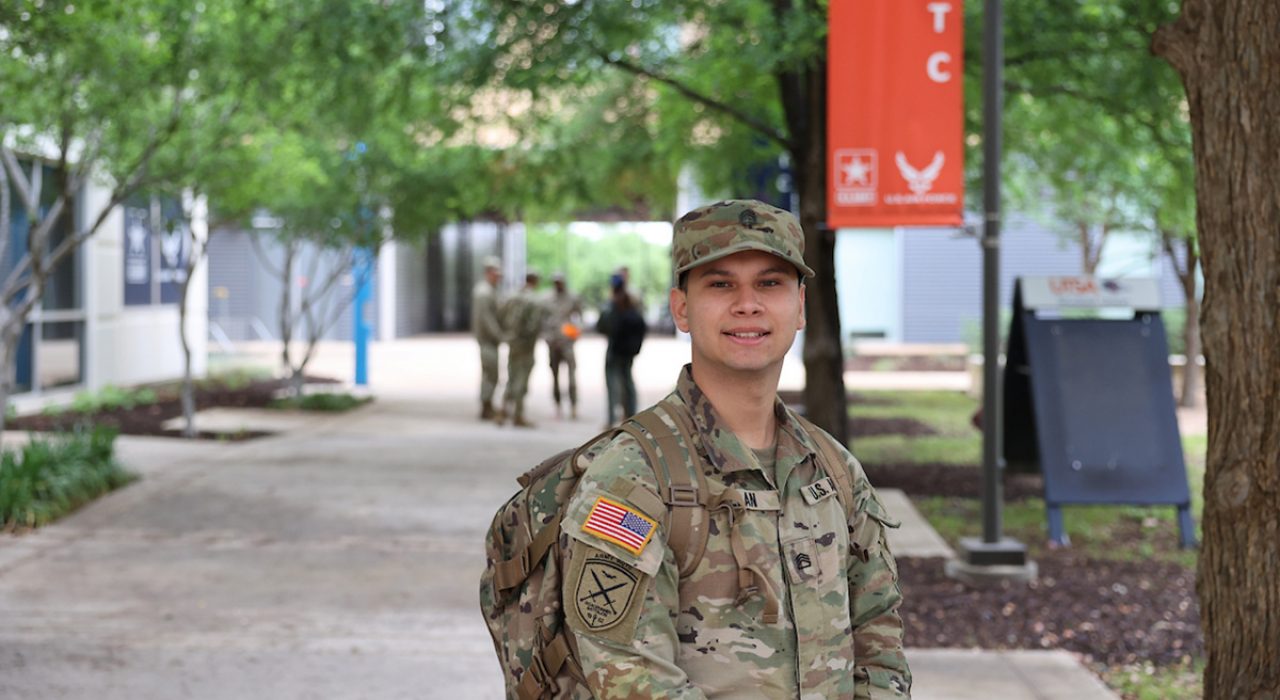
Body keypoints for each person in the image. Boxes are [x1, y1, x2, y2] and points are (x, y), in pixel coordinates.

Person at [561, 199, 911, 697]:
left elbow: (879, 633)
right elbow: (630, 677)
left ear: (800, 307)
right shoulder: (633, 477)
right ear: (681, 307)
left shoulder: (832, 467)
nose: (748, 304)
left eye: (770, 283)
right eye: (721, 284)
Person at [497, 270, 547, 428]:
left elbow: (500, 315)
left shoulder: (511, 297)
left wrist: (508, 333)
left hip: (513, 341)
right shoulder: (534, 300)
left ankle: (503, 410)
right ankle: (518, 414)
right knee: (522, 377)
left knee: (511, 374)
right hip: (526, 344)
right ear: (536, 281)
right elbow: (535, 324)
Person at [596, 272, 647, 426]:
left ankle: (612, 419)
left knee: (613, 385)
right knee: (628, 383)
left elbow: (601, 326)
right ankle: (631, 418)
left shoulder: (611, 304)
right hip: (629, 351)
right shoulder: (634, 300)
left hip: (615, 350)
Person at [543, 272, 584, 420]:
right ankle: (557, 405)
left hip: (567, 342)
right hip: (553, 343)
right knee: (555, 376)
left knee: (571, 375)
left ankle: (573, 405)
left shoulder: (572, 298)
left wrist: (576, 333)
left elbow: (580, 317)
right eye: (555, 282)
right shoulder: (546, 298)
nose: (557, 285)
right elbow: (542, 320)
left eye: (560, 282)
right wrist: (546, 337)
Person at [471, 256, 506, 421]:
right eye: (496, 273)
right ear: (489, 272)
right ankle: (486, 407)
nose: (499, 277)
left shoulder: (489, 290)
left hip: (490, 340)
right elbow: (487, 319)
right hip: (487, 340)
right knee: (491, 373)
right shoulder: (484, 292)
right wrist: (500, 335)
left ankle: (488, 405)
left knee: (491, 373)